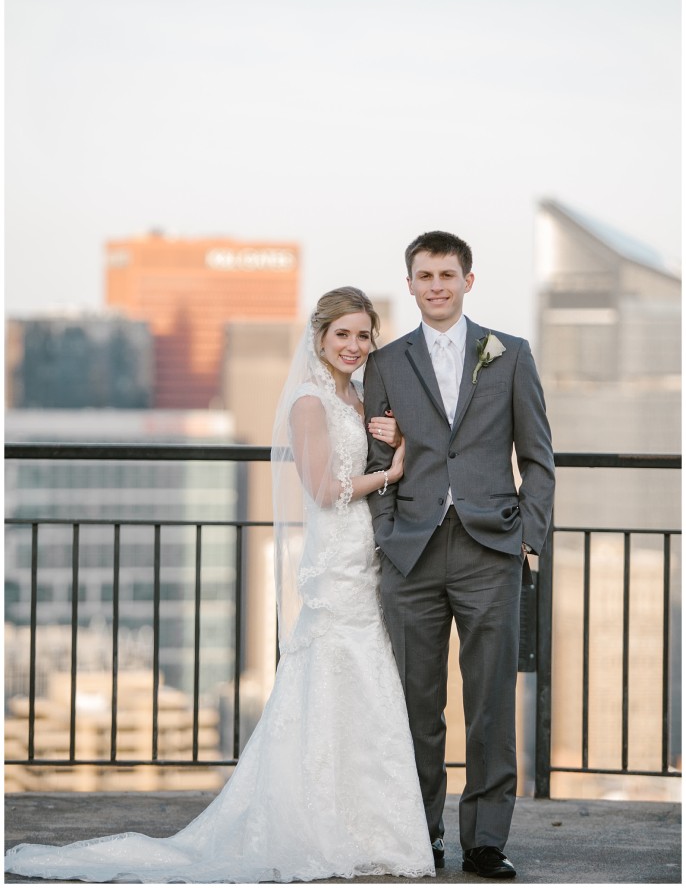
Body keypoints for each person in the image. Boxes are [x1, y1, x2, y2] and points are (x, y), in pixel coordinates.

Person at [5, 286, 435, 884]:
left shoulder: (360, 398)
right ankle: (316, 822)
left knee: (365, 679)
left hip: (366, 552)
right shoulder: (310, 403)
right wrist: (389, 473)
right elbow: (320, 488)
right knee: (336, 670)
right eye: (344, 334)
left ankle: (365, 822)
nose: (355, 346)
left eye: (364, 335)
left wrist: (390, 440)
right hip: (336, 553)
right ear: (320, 338)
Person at [364, 231, 555, 879]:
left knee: (490, 703)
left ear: (468, 280)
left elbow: (537, 457)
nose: (436, 285)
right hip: (410, 554)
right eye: (425, 275)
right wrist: (387, 535)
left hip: (489, 549)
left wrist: (526, 534)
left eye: (448, 273)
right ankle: (420, 836)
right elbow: (373, 460)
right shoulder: (386, 363)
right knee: (416, 705)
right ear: (411, 283)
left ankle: (484, 842)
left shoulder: (510, 355)